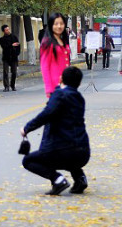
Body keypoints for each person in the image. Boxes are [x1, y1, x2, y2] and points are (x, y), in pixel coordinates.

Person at [21, 66, 90, 195]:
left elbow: (47, 114)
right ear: (79, 83)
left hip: (61, 150)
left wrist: (27, 128)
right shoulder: (79, 98)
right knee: (70, 154)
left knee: (28, 160)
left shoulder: (60, 94)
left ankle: (57, 180)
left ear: (60, 79)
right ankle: (80, 178)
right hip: (83, 153)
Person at [40, 13, 71, 98]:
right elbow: (44, 66)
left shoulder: (63, 40)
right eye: (56, 24)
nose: (59, 26)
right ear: (51, 25)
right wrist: (49, 88)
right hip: (55, 86)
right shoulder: (47, 42)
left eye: (61, 23)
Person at [0, 24, 21, 92]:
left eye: (8, 29)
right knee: (5, 72)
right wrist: (11, 45)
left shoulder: (14, 37)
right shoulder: (2, 39)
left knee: (14, 72)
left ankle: (12, 85)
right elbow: (4, 47)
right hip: (6, 57)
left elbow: (18, 46)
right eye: (6, 30)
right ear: (4, 31)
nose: (8, 31)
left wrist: (17, 53)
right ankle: (6, 86)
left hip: (14, 57)